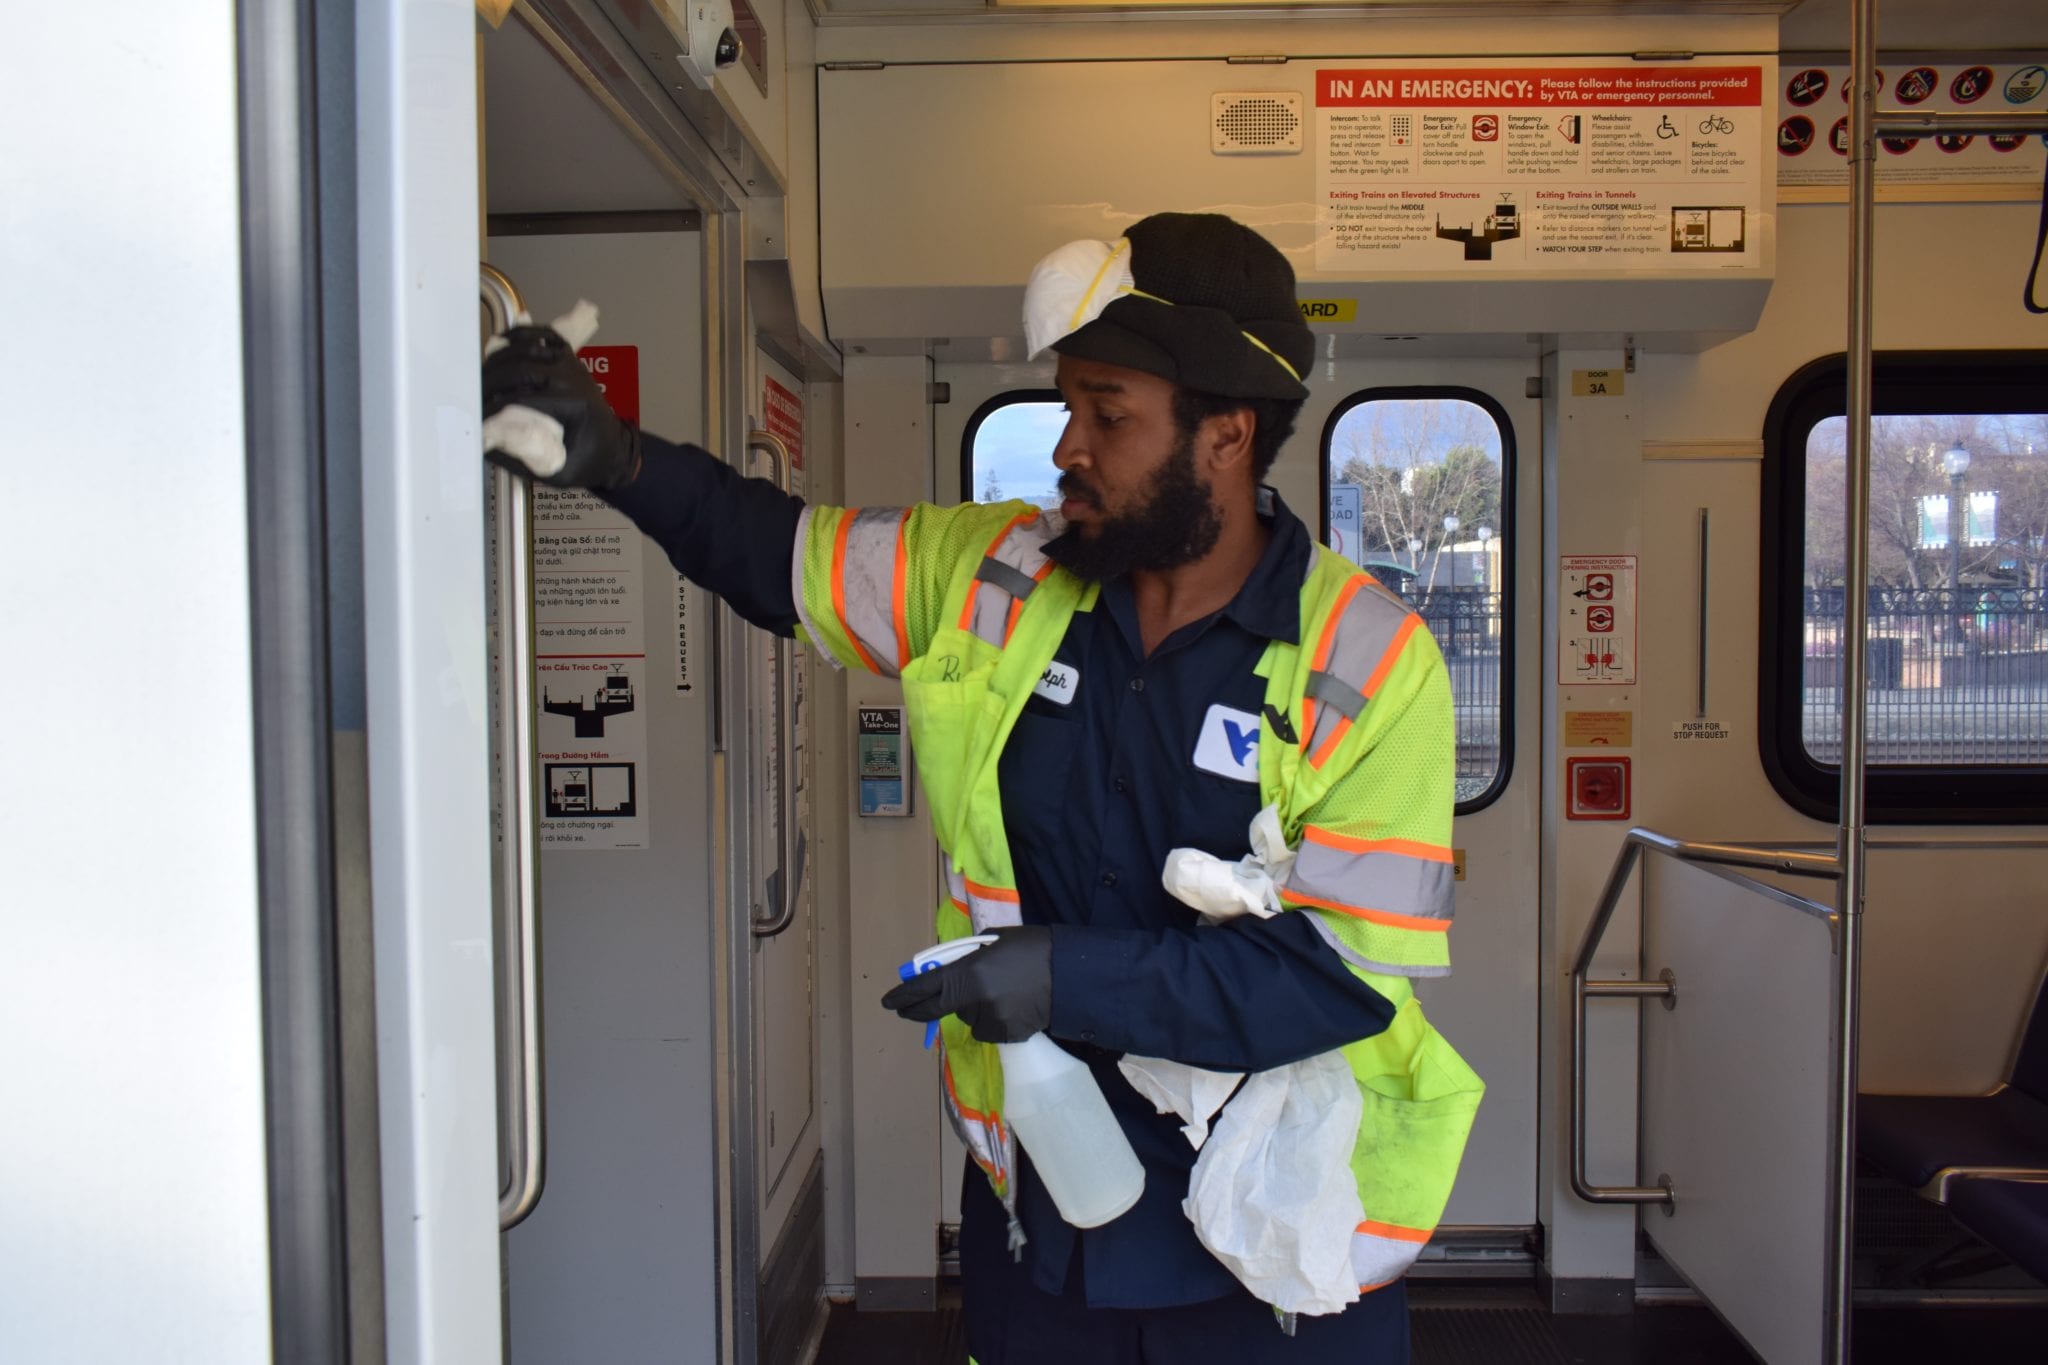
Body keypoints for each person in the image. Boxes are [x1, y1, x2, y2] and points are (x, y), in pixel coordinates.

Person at [484, 212, 1482, 1364]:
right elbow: (778, 552)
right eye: (1067, 407)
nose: (1069, 445)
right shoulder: (996, 573)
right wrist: (615, 458)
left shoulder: (1368, 659)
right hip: (1043, 1229)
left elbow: (1337, 983)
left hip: (1279, 1244)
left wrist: (1058, 975)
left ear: (1224, 434)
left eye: (1108, 414)